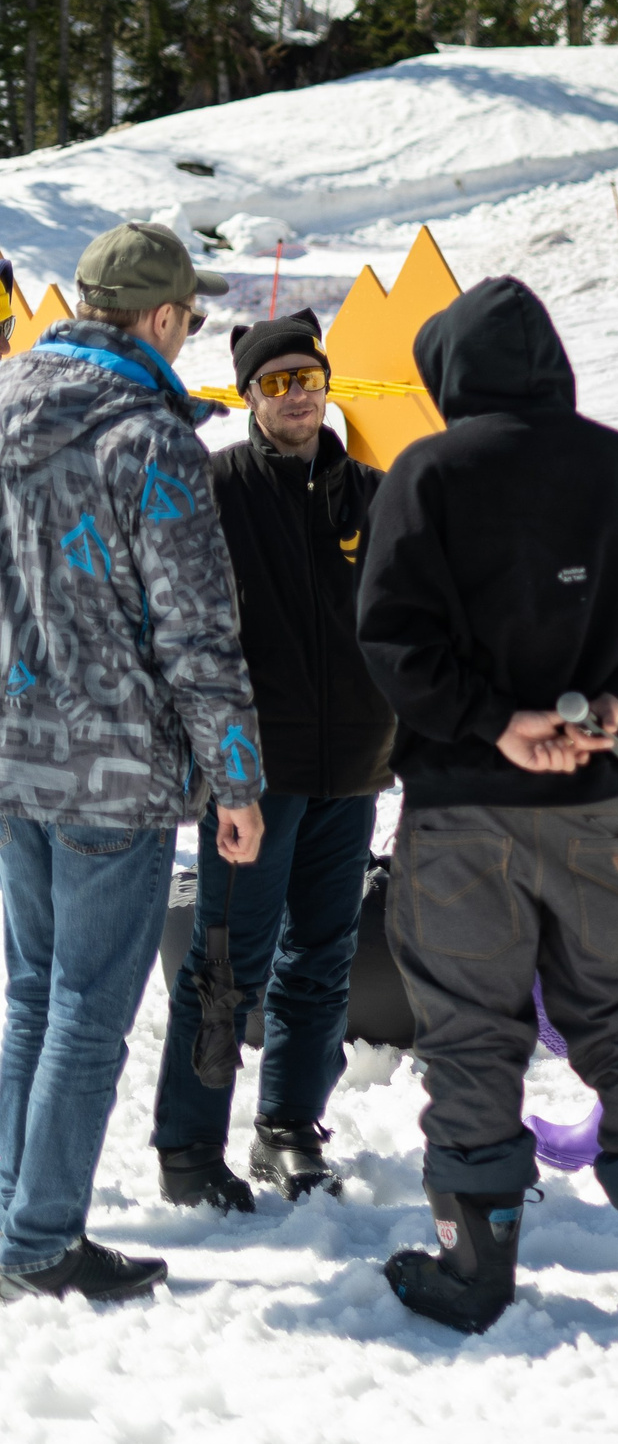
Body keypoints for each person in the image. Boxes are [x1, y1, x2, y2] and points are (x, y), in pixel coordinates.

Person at [356, 276, 618, 1334]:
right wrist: (615, 700)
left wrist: (493, 720)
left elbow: (391, 642)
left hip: (465, 808)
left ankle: (475, 1270)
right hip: (599, 803)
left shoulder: (425, 474)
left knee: (472, 1032)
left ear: (449, 374)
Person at [0, 222, 264, 1303]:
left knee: (29, 993)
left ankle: (15, 1210)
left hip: (13, 751)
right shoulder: (148, 439)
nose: (189, 337)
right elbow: (197, 629)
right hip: (111, 765)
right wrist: (236, 776)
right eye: (189, 319)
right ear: (159, 317)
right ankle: (41, 1237)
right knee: (87, 1007)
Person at [152, 311, 395, 1212]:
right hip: (250, 780)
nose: (295, 395)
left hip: (354, 770)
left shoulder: (369, 493)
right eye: (275, 382)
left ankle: (288, 1127)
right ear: (249, 396)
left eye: (307, 377)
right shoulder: (215, 490)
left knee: (322, 961)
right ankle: (189, 1145)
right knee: (227, 961)